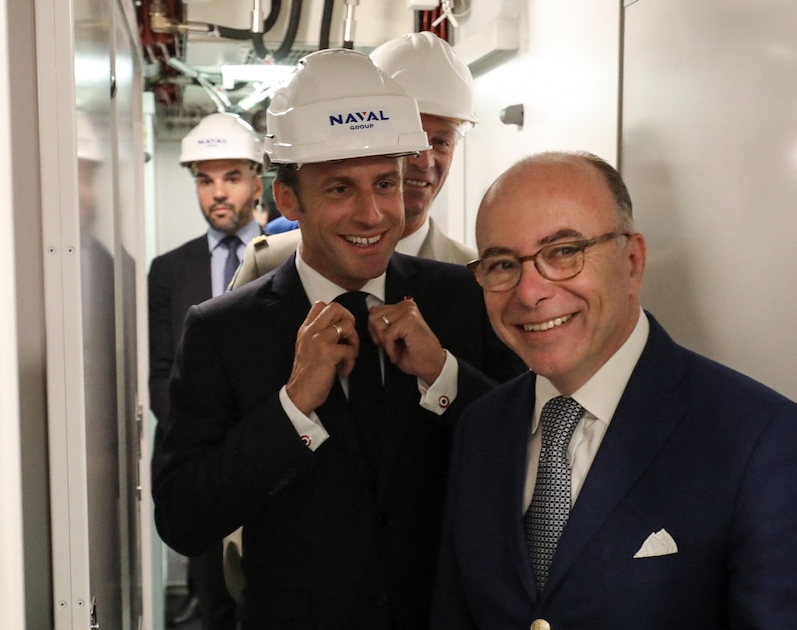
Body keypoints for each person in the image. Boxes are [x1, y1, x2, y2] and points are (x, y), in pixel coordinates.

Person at [151, 48, 524, 630]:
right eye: (339, 189)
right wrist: (292, 409)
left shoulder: (463, 299)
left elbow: (530, 454)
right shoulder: (222, 331)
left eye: (384, 183)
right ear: (288, 200)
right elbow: (183, 517)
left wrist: (444, 374)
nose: (373, 213)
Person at [432, 152, 797, 629]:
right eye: (503, 264)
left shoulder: (763, 442)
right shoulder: (484, 427)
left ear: (632, 261)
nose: (529, 292)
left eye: (564, 252)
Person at [230, 31, 478, 288]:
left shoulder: (476, 279)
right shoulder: (270, 262)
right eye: (407, 143)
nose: (423, 161)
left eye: (441, 142)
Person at [147, 111, 266, 629]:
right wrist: (206, 439)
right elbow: (160, 373)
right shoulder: (171, 270)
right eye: (205, 179)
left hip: (276, 459)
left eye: (232, 177)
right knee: (214, 603)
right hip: (203, 470)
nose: (218, 192)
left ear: (258, 180)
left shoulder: (291, 255)